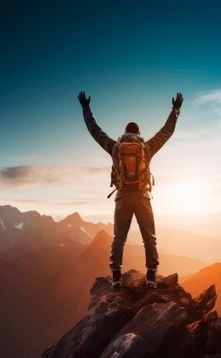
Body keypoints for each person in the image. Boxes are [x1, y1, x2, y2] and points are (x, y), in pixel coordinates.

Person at [78, 91, 183, 289]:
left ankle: (116, 277)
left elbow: (95, 131)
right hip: (143, 197)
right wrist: (176, 109)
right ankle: (152, 276)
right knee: (149, 237)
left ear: (125, 133)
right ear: (138, 134)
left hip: (122, 198)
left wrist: (85, 107)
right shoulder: (147, 148)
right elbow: (167, 132)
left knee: (119, 238)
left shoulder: (115, 147)